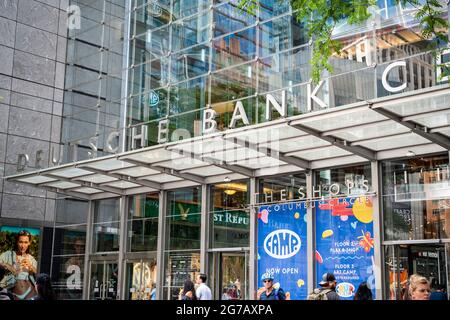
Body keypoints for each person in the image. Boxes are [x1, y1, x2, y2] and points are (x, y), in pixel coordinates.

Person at [0, 230, 38, 300]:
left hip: (29, 295)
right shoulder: (7, 255)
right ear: (17, 242)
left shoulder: (32, 259)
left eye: (26, 242)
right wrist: (8, 266)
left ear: (29, 243)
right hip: (11, 295)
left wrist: (32, 268)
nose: (23, 246)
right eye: (20, 242)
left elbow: (41, 276)